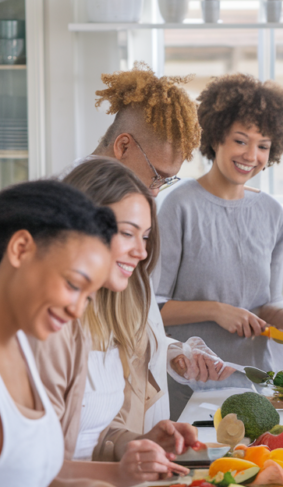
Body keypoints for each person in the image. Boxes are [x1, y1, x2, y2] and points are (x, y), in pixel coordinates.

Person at [0, 181, 146, 487]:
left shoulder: (23, 348)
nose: (79, 307)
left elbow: (23, 486)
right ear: (20, 249)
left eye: (89, 294)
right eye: (73, 284)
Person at [33, 159, 214, 484]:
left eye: (145, 237)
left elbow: (96, 435)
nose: (142, 252)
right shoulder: (45, 331)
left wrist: (135, 443)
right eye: (128, 233)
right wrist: (117, 473)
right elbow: (32, 473)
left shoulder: (116, 314)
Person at [155, 73, 283, 418]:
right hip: (193, 383)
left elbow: (268, 302)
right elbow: (151, 308)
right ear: (216, 137)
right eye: (241, 141)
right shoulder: (178, 205)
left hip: (257, 383)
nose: (251, 155)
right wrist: (217, 310)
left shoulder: (272, 213)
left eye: (263, 146)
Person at [86, 63, 233, 423]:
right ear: (123, 145)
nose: (155, 191)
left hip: (131, 433)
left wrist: (172, 352)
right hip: (99, 431)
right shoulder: (77, 210)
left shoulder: (132, 211)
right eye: (157, 176)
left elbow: (134, 323)